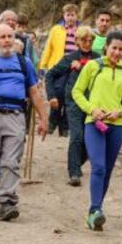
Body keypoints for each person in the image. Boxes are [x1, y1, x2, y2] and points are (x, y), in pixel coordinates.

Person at [0, 23, 48, 221]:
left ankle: (6, 202)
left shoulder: (25, 63)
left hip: (16, 115)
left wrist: (43, 118)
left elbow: (34, 92)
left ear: (15, 39)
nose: (7, 40)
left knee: (11, 161)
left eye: (10, 36)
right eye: (2, 37)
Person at [71, 31, 122, 231]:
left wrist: (121, 111)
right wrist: (92, 109)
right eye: (114, 48)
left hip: (117, 126)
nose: (117, 52)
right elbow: (77, 91)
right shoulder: (93, 66)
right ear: (105, 48)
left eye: (120, 49)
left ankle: (97, 211)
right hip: (94, 123)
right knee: (98, 167)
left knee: (108, 170)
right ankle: (94, 210)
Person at [44, 26, 99, 186]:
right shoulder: (70, 58)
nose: (88, 43)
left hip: (93, 103)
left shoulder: (98, 58)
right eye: (84, 40)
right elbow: (50, 75)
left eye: (91, 40)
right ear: (76, 41)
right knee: (77, 136)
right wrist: (52, 96)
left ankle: (76, 163)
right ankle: (74, 173)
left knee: (90, 140)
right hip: (74, 102)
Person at [39, 3, 81, 137]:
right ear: (64, 16)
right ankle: (52, 122)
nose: (70, 17)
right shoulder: (56, 29)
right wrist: (43, 65)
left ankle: (65, 126)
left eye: (72, 15)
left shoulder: (81, 30)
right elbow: (49, 48)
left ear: (76, 15)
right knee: (57, 94)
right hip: (58, 65)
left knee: (70, 96)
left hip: (74, 67)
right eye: (68, 15)